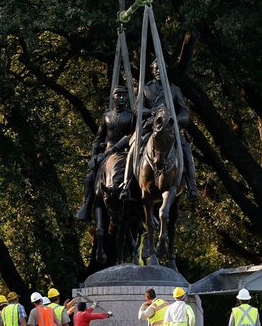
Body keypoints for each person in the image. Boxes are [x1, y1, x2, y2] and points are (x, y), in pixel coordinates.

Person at [128, 59, 198, 201]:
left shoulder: (174, 90)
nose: (158, 71)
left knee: (187, 151)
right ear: (152, 71)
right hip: (150, 127)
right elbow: (137, 109)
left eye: (161, 69)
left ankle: (192, 187)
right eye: (156, 69)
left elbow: (184, 112)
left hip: (171, 129)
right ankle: (126, 185)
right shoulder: (146, 89)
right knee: (133, 148)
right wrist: (152, 111)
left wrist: (174, 119)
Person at [76, 85, 136, 221]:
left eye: (123, 95)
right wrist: (94, 156)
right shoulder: (107, 116)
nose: (121, 98)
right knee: (90, 177)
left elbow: (132, 136)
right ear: (113, 97)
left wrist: (117, 147)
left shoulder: (132, 116)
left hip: (124, 153)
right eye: (118, 95)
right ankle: (86, 205)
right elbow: (98, 138)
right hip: (106, 153)